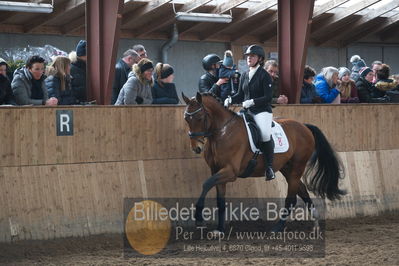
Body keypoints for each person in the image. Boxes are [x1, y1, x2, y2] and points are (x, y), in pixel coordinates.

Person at [224, 44, 275, 181]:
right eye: (247, 56)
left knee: (264, 134)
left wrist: (252, 102)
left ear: (259, 58)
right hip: (246, 110)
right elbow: (240, 95)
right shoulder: (244, 75)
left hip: (262, 111)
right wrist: (230, 99)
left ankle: (269, 167)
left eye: (252, 56)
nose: (249, 58)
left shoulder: (264, 75)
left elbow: (268, 97)